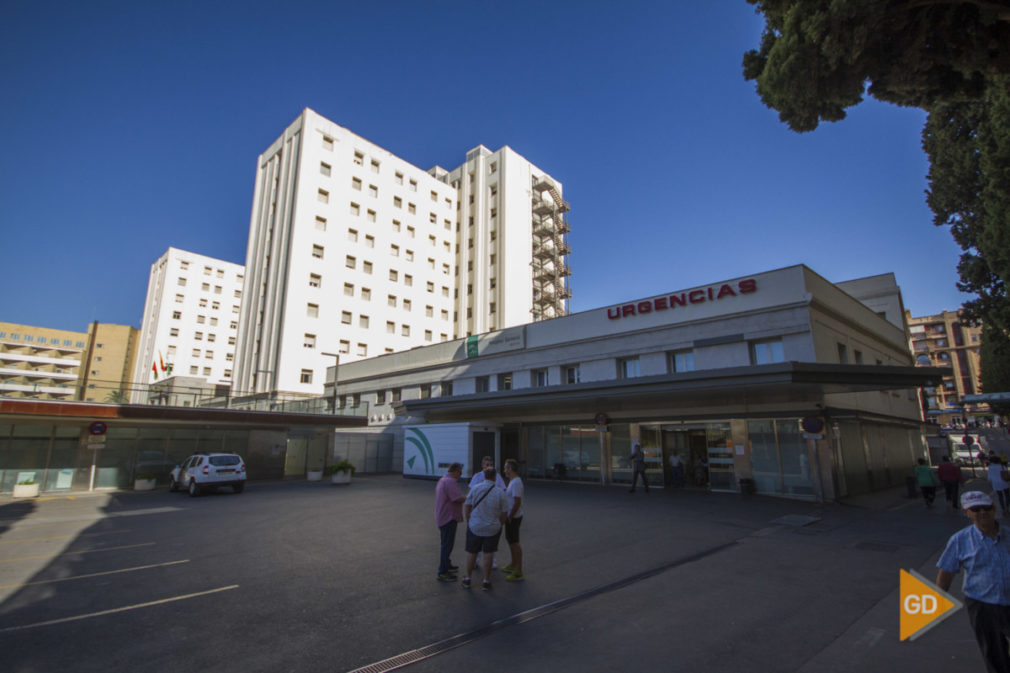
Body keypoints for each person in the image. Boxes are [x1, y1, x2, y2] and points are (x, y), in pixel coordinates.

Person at [936, 491, 1010, 673]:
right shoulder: (960, 540)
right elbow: (946, 572)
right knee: (994, 653)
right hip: (982, 605)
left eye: (986, 508)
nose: (982, 512)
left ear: (993, 508)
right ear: (966, 512)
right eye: (975, 509)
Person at [461, 466, 509, 591]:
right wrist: (500, 523)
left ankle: (468, 579)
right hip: (492, 527)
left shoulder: (476, 488)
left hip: (475, 525)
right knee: (488, 553)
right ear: (495, 477)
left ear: (484, 476)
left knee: (472, 552)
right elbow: (504, 511)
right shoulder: (499, 492)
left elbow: (467, 505)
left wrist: (468, 519)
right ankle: (486, 580)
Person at [468, 456, 505, 568]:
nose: (489, 466)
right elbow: (470, 492)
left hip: (492, 509)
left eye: (490, 464)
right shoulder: (476, 476)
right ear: (482, 466)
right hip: (479, 510)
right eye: (487, 464)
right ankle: (476, 560)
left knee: (491, 540)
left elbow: (503, 490)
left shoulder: (497, 476)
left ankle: (492, 562)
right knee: (477, 539)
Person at [434, 462, 464, 582]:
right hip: (448, 517)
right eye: (460, 472)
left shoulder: (443, 479)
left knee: (446, 543)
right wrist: (470, 496)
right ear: (456, 471)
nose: (461, 474)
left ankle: (447, 564)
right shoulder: (451, 482)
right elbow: (457, 498)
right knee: (447, 544)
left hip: (442, 516)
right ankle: (442, 571)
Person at [502, 458, 524, 582]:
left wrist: (510, 516)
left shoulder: (516, 483)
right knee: (510, 540)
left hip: (514, 517)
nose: (504, 469)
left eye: (506, 467)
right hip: (511, 516)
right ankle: (513, 564)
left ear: (510, 469)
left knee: (514, 542)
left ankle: (519, 570)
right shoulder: (512, 481)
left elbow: (517, 502)